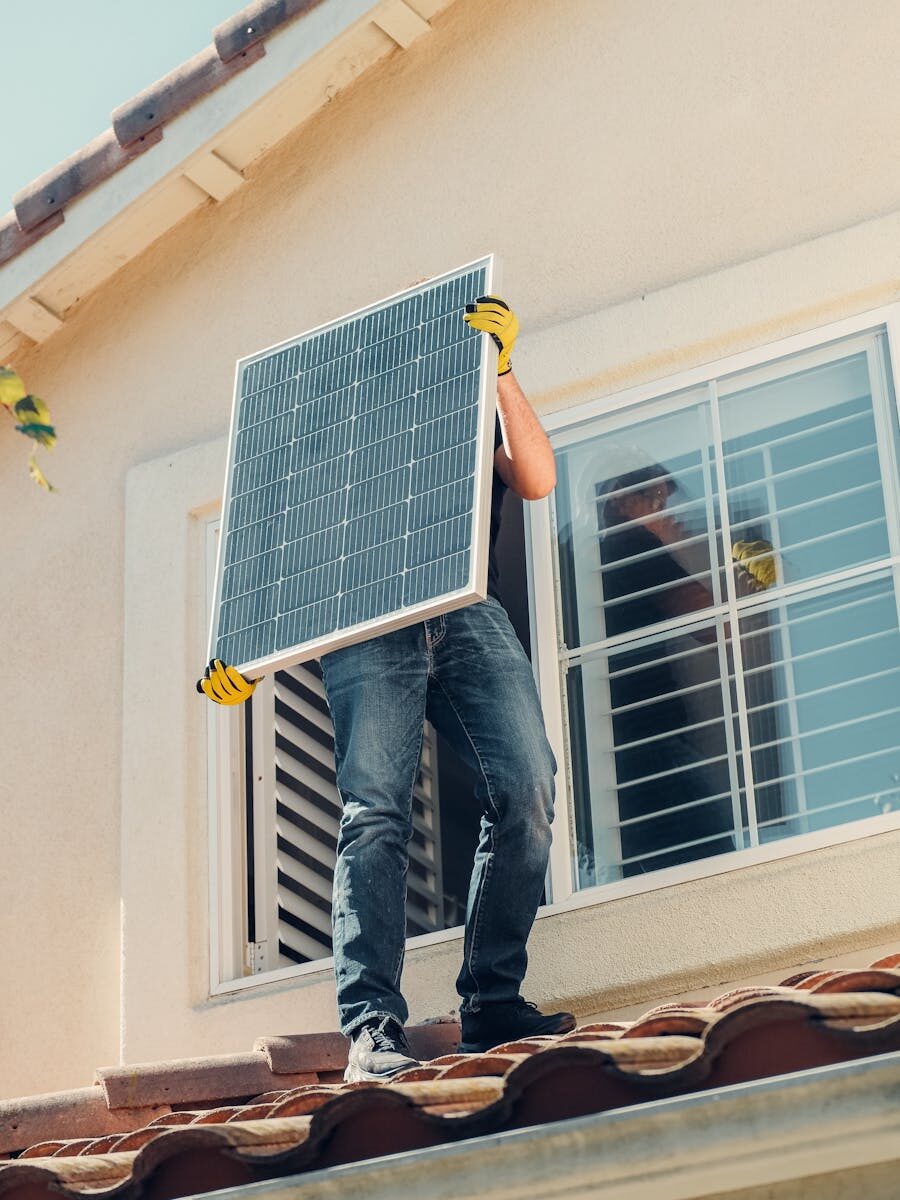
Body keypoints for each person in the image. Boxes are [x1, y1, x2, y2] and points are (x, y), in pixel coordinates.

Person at [199, 296, 575, 1081]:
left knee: (528, 782)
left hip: (466, 612)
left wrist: (501, 369)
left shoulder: (460, 405)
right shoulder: (324, 458)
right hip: (364, 630)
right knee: (375, 814)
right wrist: (241, 655)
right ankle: (371, 1030)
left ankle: (492, 1000)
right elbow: (269, 546)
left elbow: (535, 477)